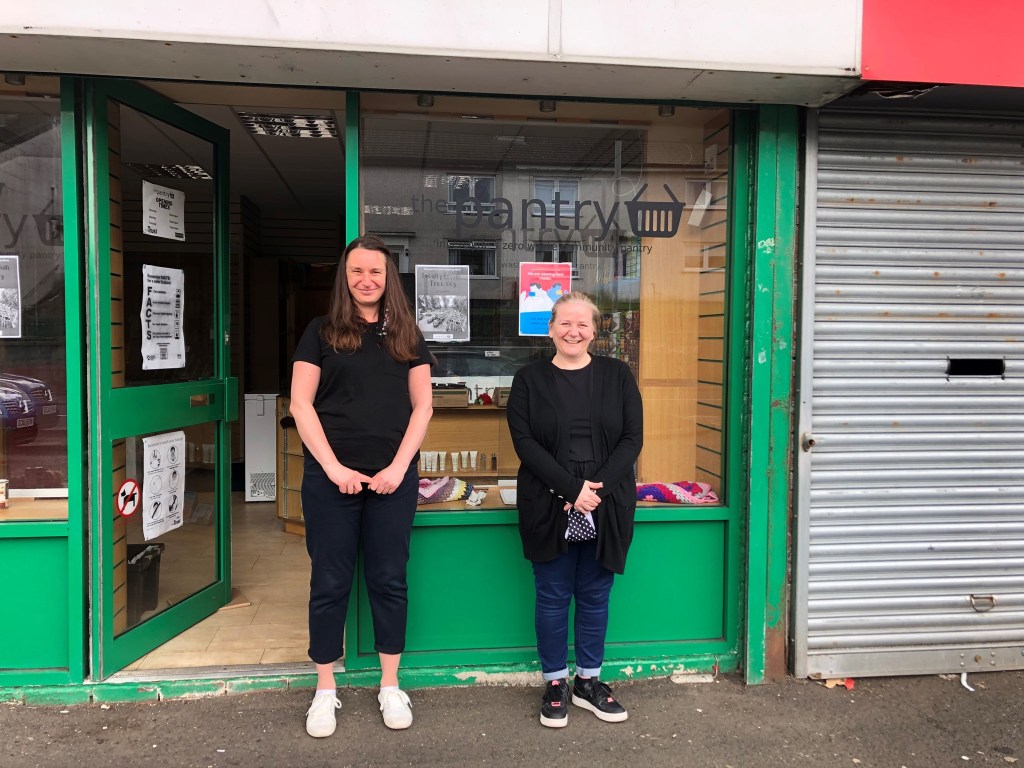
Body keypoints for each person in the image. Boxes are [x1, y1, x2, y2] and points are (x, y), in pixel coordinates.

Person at [290, 235, 433, 737]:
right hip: (331, 481)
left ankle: (390, 685)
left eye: (375, 271)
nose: (366, 280)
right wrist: (332, 469)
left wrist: (398, 467)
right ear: (344, 277)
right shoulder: (320, 332)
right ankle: (325, 689)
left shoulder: (407, 335)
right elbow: (300, 405)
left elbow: (423, 408)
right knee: (329, 584)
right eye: (356, 272)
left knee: (389, 581)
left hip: (393, 480)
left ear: (388, 277)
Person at [506, 291, 643, 728]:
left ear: (594, 330)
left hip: (605, 503)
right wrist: (570, 489)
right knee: (551, 595)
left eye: (583, 324)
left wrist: (592, 492)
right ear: (550, 329)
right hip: (549, 502)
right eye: (565, 323)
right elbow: (524, 442)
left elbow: (632, 440)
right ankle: (555, 684)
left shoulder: (618, 375)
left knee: (595, 595)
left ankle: (588, 681)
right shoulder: (529, 379)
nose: (574, 331)